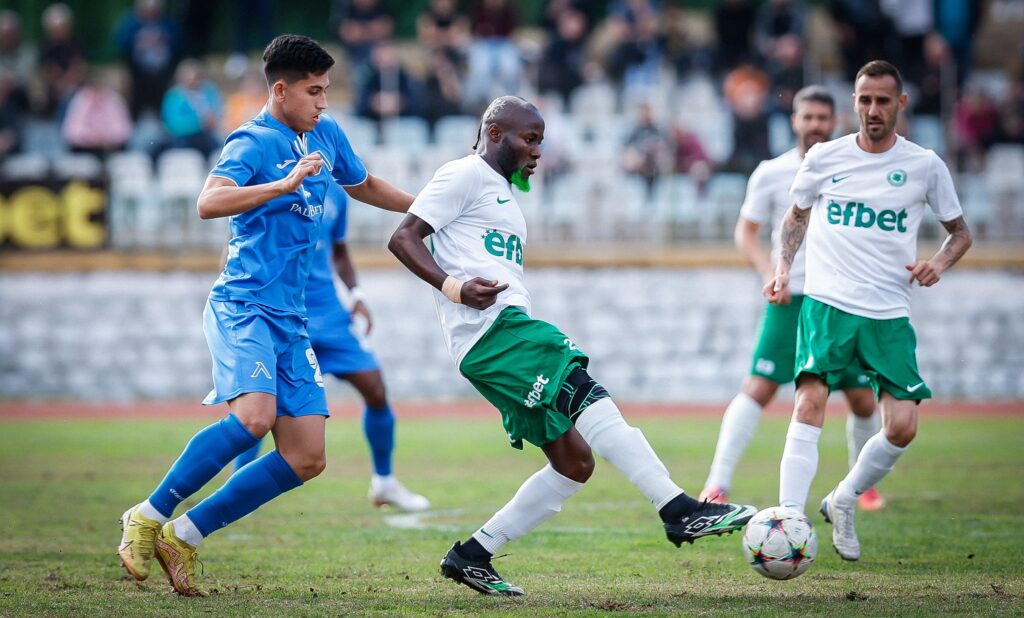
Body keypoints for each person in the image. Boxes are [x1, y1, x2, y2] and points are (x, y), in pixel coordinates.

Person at [388, 95, 757, 597]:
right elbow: (404, 237)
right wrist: (455, 287)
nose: (537, 152)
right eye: (529, 139)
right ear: (494, 134)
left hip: (497, 335)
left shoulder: (499, 191)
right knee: (584, 389)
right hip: (494, 331)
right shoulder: (465, 174)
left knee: (575, 462)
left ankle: (472, 555)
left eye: (540, 140)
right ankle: (678, 509)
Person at [117, 34, 416, 597]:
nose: (323, 103)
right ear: (280, 90)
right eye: (314, 92)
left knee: (307, 456)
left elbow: (365, 184)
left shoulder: (325, 134)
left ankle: (183, 534)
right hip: (243, 305)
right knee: (255, 417)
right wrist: (280, 185)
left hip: (290, 319)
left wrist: (429, 206)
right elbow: (208, 201)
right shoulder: (252, 141)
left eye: (326, 91)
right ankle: (148, 514)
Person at [764, 60, 973, 561]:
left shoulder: (925, 165)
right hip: (829, 303)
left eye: (882, 100)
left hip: (889, 312)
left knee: (901, 426)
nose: (872, 110)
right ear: (853, 103)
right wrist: (783, 269)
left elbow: (960, 232)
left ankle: (844, 498)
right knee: (809, 402)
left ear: (900, 104)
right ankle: (790, 519)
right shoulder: (824, 158)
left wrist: (938, 263)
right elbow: (796, 216)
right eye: (864, 100)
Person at [699, 86, 885, 513]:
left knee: (860, 397)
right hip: (792, 298)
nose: (816, 125)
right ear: (794, 121)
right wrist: (769, 274)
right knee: (758, 387)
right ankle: (716, 484)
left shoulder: (856, 169)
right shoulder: (771, 172)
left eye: (823, 118)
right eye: (809, 117)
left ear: (835, 121)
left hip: (844, 299)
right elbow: (746, 232)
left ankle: (861, 486)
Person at [232, 181, 430, 512]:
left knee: (375, 388)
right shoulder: (269, 181)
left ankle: (384, 482)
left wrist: (357, 295)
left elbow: (338, 249)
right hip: (282, 312)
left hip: (330, 313)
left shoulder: (336, 190)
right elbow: (238, 244)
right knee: (261, 408)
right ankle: (236, 490)